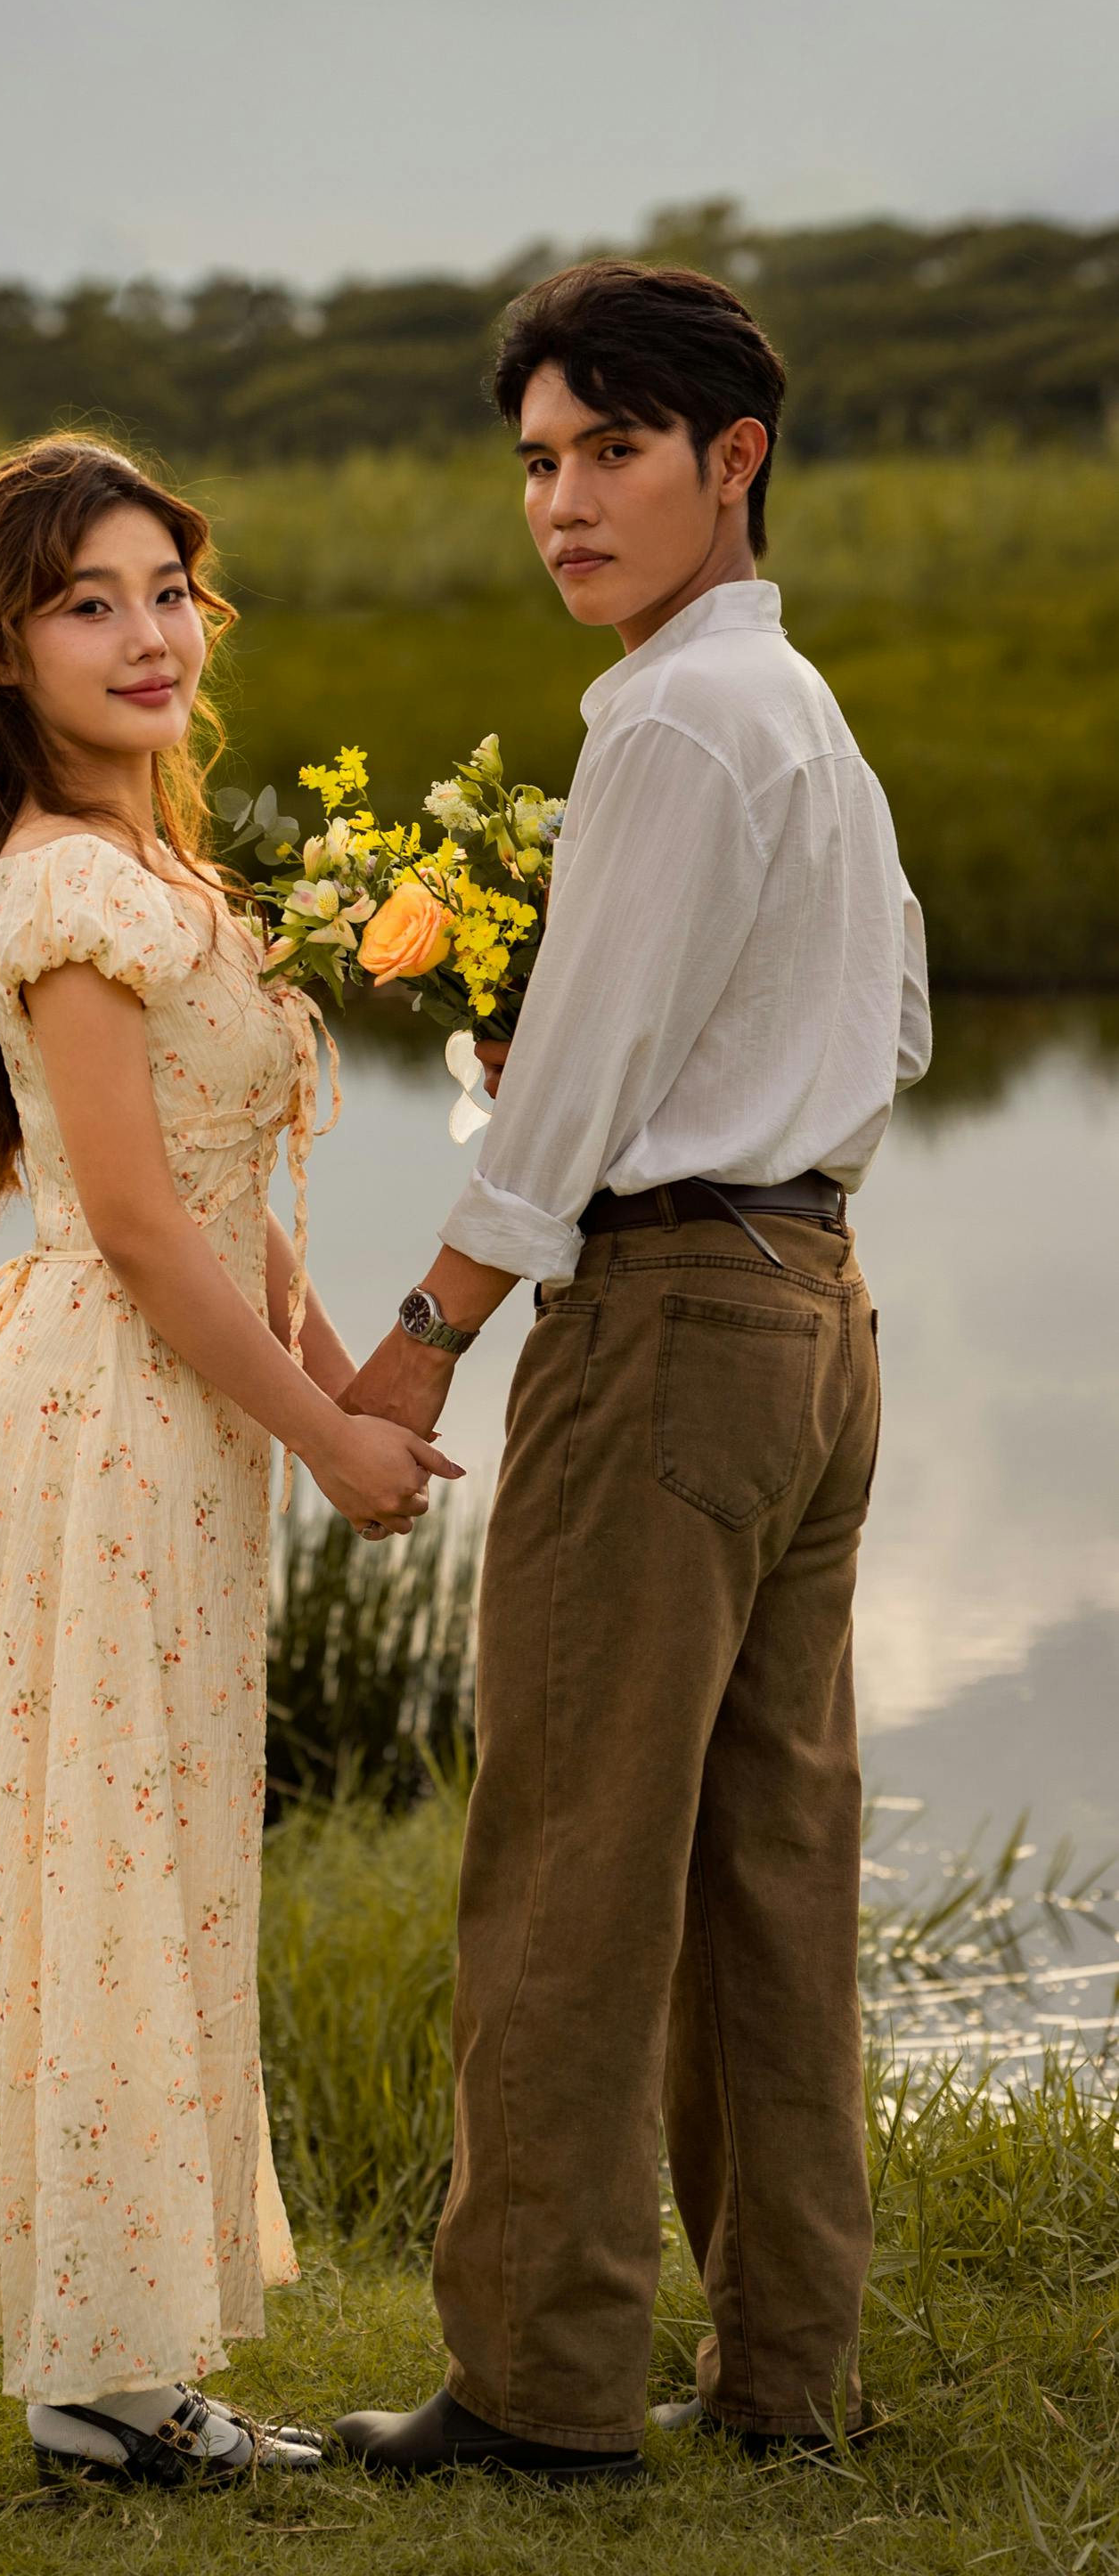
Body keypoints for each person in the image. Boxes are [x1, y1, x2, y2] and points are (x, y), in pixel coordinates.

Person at [333, 262, 932, 2482]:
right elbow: (888, 1033)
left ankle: (538, 2386)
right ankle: (783, 2381)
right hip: (815, 1316)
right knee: (761, 1867)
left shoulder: (672, 720)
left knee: (573, 1863)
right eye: (535, 462)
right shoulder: (801, 712)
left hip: (674, 1327)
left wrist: (414, 1345)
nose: (560, 503)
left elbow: (576, 1097)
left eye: (605, 453)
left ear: (730, 458)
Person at [0, 433, 460, 2490]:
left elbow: (228, 1197)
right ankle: (101, 2388)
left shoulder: (175, 867)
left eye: (166, 590)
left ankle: (126, 2359)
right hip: (103, 1415)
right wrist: (330, 1442)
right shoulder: (68, 885)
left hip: (179, 1414)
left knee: (165, 1846)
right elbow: (129, 1221)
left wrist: (343, 1381)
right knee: (107, 1856)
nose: (144, 633)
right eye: (88, 601)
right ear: (3, 653)